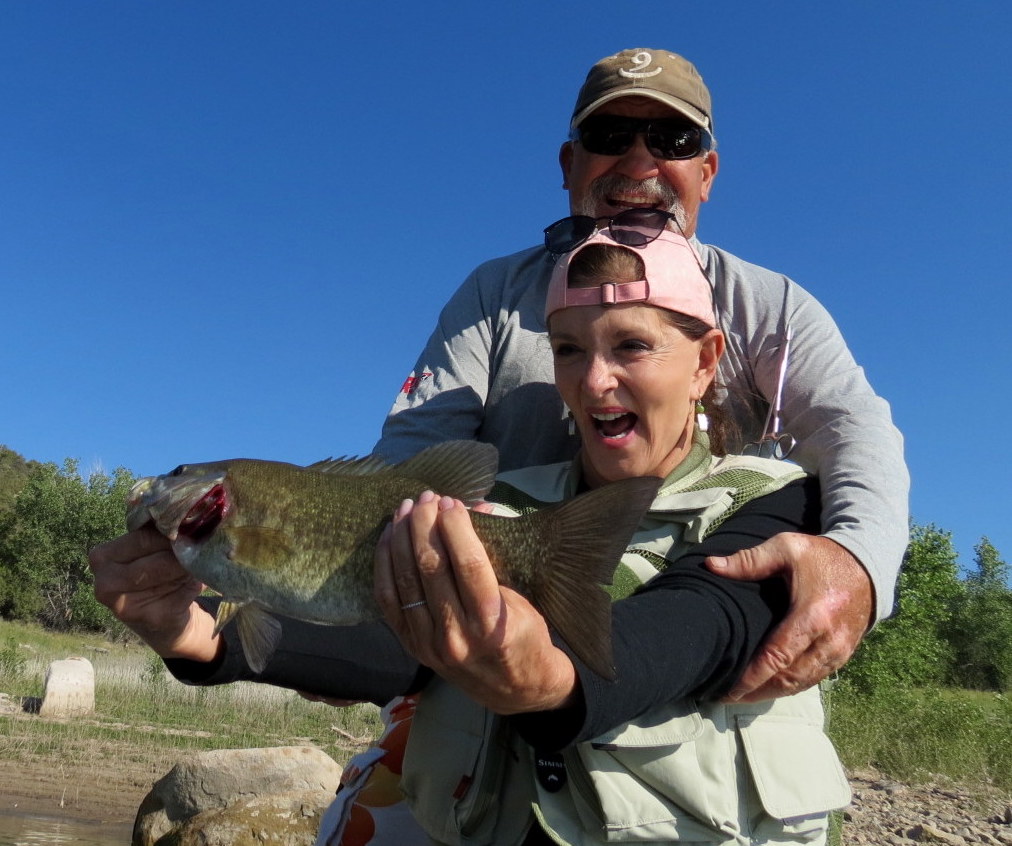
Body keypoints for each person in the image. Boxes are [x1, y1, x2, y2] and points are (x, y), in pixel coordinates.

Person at [93, 229, 851, 845]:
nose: (594, 381)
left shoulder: (778, 501)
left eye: (632, 347)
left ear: (705, 364)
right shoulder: (503, 507)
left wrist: (545, 681)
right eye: (569, 350)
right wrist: (198, 637)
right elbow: (396, 640)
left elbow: (690, 630)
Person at [373, 47, 909, 700]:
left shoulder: (770, 305)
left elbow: (854, 429)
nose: (637, 161)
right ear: (570, 165)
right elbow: (413, 453)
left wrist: (860, 563)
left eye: (672, 139)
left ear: (706, 172)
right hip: (491, 647)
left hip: (687, 657)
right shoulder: (493, 294)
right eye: (608, 136)